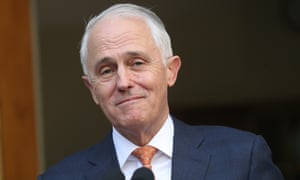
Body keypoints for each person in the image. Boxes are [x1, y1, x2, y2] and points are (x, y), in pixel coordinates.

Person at [38, 3, 284, 180]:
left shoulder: (243, 157)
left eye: (137, 63)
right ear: (92, 89)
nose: (123, 82)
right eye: (106, 70)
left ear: (171, 71)